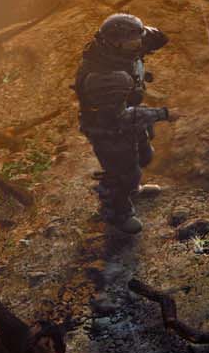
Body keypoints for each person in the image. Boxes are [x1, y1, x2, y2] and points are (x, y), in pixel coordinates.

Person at [73, 13, 174, 234]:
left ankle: (132, 188)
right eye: (131, 43)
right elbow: (119, 117)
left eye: (137, 41)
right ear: (114, 45)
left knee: (144, 155)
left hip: (127, 112)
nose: (138, 46)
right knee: (122, 172)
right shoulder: (103, 76)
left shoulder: (124, 48)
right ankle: (117, 212)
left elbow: (159, 38)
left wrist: (145, 35)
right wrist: (160, 114)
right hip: (106, 128)